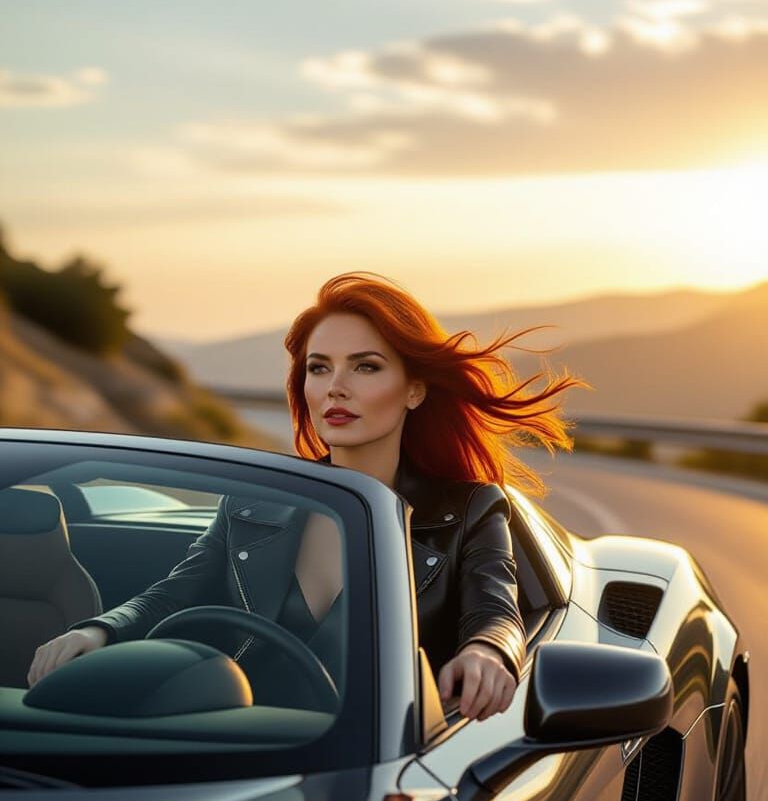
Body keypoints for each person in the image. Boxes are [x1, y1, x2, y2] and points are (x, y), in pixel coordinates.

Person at [28, 273, 582, 719]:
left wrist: (488, 653)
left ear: (414, 389)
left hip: (382, 761)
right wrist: (100, 628)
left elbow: (496, 612)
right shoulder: (252, 502)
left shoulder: (469, 509)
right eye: (320, 368)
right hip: (243, 738)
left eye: (365, 366)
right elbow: (175, 594)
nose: (335, 386)